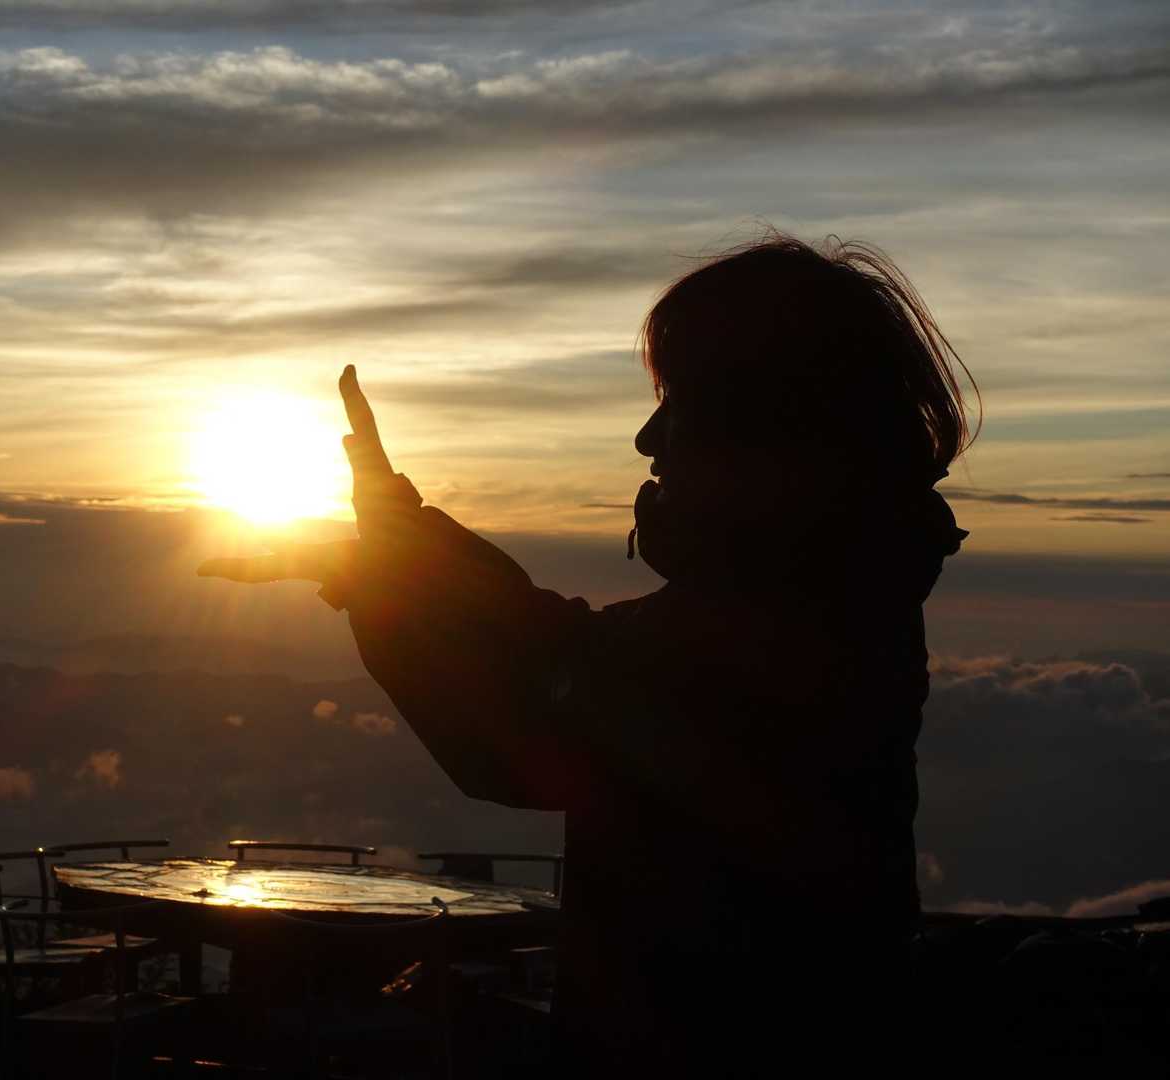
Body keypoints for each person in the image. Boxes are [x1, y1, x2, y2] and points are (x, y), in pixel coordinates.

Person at [199, 233, 975, 1073]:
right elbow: (567, 653)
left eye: (678, 402)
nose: (648, 438)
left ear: (762, 424)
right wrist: (382, 549)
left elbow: (528, 717)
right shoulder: (826, 591)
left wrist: (384, 553)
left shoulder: (787, 626)